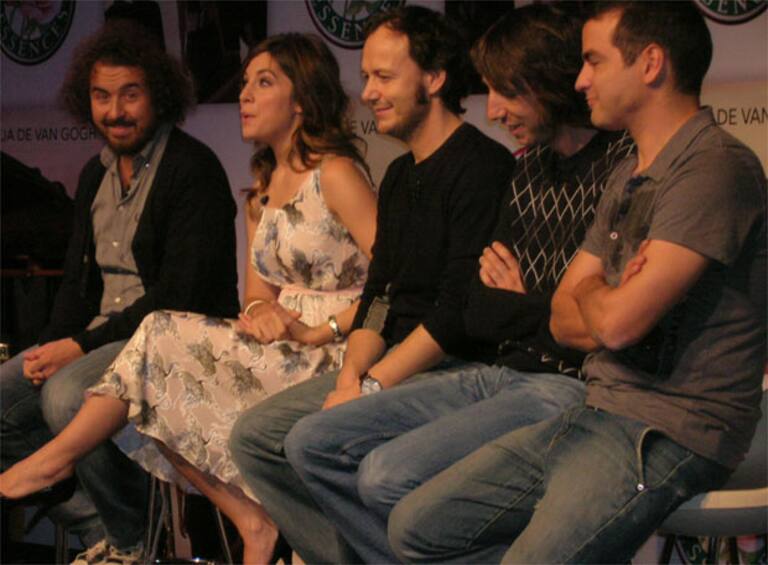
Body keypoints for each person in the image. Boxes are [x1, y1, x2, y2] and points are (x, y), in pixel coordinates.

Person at [388, 2, 767, 563]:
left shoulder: (714, 166)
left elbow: (614, 325)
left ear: (651, 63)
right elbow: (564, 318)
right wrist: (604, 295)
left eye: (594, 61)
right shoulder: (629, 171)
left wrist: (598, 296)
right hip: (597, 409)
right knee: (414, 526)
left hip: (669, 432)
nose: (581, 79)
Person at [0, 32, 377, 564]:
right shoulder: (263, 188)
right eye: (244, 84)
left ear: (302, 99)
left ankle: (67, 476)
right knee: (154, 382)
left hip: (338, 350)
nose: (245, 96)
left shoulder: (335, 173)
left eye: (263, 83)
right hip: (281, 346)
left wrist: (320, 329)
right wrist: (260, 314)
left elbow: (394, 283)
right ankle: (251, 522)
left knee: (154, 340)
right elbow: (255, 294)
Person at [282, 4, 635, 563]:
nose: (492, 109)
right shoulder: (515, 169)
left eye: (506, 91)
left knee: (380, 474)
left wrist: (527, 305)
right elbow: (436, 301)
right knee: (302, 441)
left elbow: (592, 324)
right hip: (484, 368)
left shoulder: (600, 168)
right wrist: (354, 376)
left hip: (544, 379)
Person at [229, 6, 515, 564]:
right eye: (365, 78)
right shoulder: (402, 174)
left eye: (384, 77)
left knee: (313, 442)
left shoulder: (482, 165)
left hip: (455, 366)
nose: (368, 94)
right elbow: (381, 295)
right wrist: (352, 375)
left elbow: (456, 311)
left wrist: (372, 386)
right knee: (255, 437)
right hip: (391, 364)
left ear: (434, 78)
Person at [0, 21, 239, 563]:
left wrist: (77, 349)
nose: (115, 111)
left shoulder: (192, 169)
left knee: (67, 397)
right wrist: (52, 345)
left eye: (130, 95)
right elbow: (77, 285)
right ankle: (100, 527)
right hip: (100, 341)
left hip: (169, 343)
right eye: (101, 96)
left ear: (159, 95)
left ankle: (132, 543)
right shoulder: (95, 173)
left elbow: (178, 295)